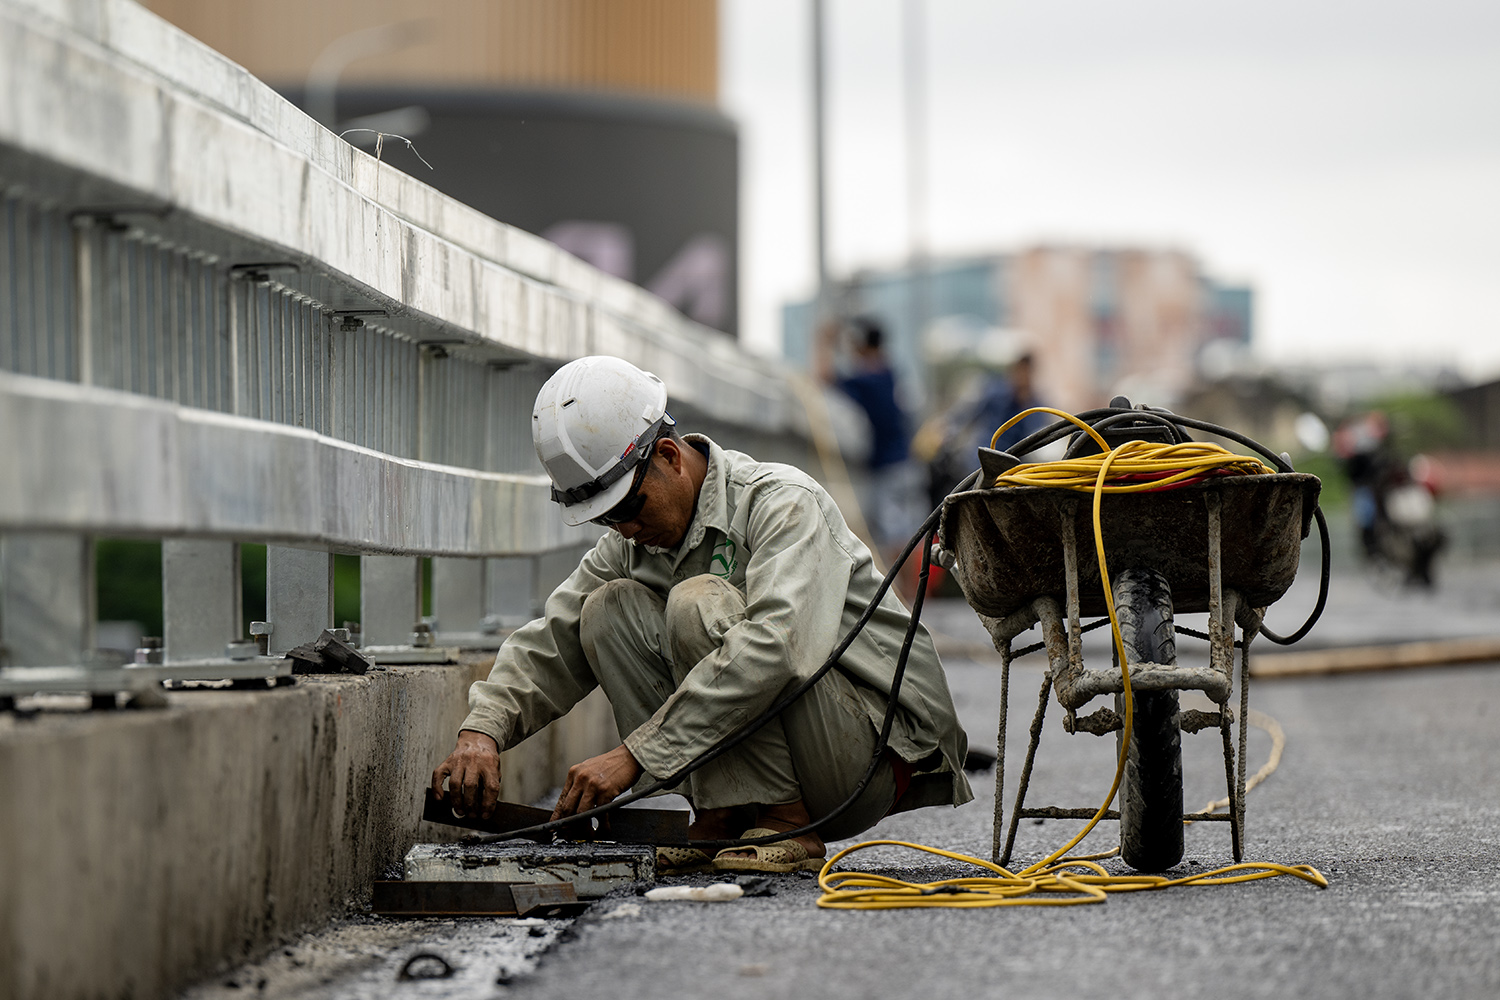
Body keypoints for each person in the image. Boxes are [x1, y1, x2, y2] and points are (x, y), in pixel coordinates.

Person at [432, 356, 971, 873]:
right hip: (811, 748)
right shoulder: (632, 544)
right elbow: (555, 637)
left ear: (668, 456)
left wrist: (635, 756)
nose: (623, 530)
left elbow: (777, 647)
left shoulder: (781, 503)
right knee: (606, 610)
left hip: (872, 755)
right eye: (606, 519)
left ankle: (786, 822)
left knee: (698, 602)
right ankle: (724, 814)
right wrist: (483, 731)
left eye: (629, 508)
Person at [814, 315, 927, 561]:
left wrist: (824, 342)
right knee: (910, 532)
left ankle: (904, 597)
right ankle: (914, 596)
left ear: (863, 345)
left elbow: (825, 377)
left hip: (886, 469)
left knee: (893, 535)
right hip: (907, 463)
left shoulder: (867, 380)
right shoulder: (889, 372)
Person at [925, 352, 1050, 508]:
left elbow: (1037, 438)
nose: (1022, 377)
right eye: (1020, 371)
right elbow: (968, 414)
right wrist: (946, 430)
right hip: (980, 462)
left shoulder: (1035, 404)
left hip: (1012, 471)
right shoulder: (995, 392)